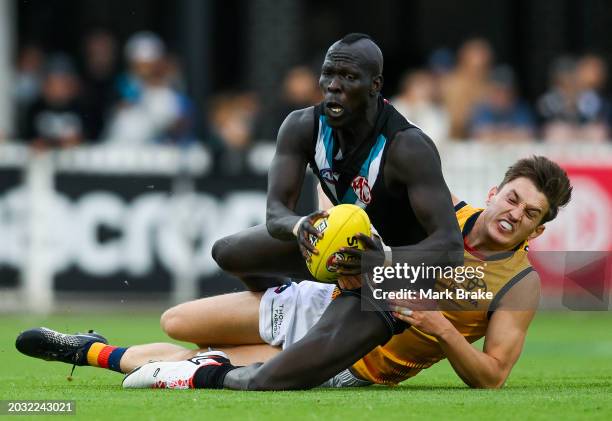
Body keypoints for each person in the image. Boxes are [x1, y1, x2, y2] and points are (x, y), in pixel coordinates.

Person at [17, 33, 464, 391]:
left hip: (385, 285)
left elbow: (448, 250)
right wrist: (301, 226)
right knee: (227, 251)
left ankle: (136, 361)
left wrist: (377, 262)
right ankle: (281, 309)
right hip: (332, 266)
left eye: (347, 77)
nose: (332, 86)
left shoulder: (408, 148)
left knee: (267, 380)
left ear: (375, 86)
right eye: (327, 75)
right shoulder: (303, 125)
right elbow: (275, 213)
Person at [16, 156, 572, 389]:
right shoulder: (443, 211)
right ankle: (102, 343)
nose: (513, 216)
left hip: (352, 357)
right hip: (320, 301)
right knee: (177, 320)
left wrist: (444, 328)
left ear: (538, 232)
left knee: (203, 364)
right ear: (496, 192)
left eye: (530, 215)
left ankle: (88, 353)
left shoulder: (521, 284)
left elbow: (493, 376)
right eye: (513, 199)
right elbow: (362, 222)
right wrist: (337, 235)